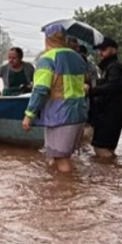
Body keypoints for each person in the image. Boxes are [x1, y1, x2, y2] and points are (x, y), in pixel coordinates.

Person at [22, 25, 89, 173]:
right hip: (78, 113)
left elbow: (40, 90)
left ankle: (66, 192)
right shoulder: (77, 58)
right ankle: (59, 190)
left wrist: (29, 115)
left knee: (61, 159)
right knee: (58, 157)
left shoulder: (47, 59)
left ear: (47, 39)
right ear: (64, 38)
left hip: (60, 115)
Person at [89, 37, 122, 159]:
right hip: (113, 115)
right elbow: (110, 83)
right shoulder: (111, 67)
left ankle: (108, 173)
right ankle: (112, 174)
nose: (100, 53)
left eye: (103, 49)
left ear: (114, 50)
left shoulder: (115, 67)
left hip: (109, 115)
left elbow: (112, 86)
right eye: (99, 50)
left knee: (100, 148)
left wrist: (91, 91)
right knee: (108, 149)